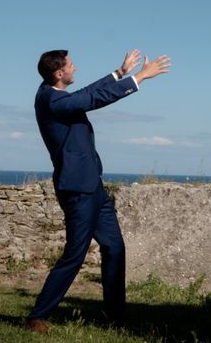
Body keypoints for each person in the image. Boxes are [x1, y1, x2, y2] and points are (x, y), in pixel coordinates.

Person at [26, 48, 171, 334]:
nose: (75, 68)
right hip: (77, 189)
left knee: (114, 247)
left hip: (93, 185)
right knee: (75, 254)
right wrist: (140, 77)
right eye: (70, 66)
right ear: (59, 74)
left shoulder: (54, 94)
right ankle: (37, 316)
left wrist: (120, 72)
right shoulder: (52, 101)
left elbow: (86, 92)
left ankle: (116, 318)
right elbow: (92, 98)